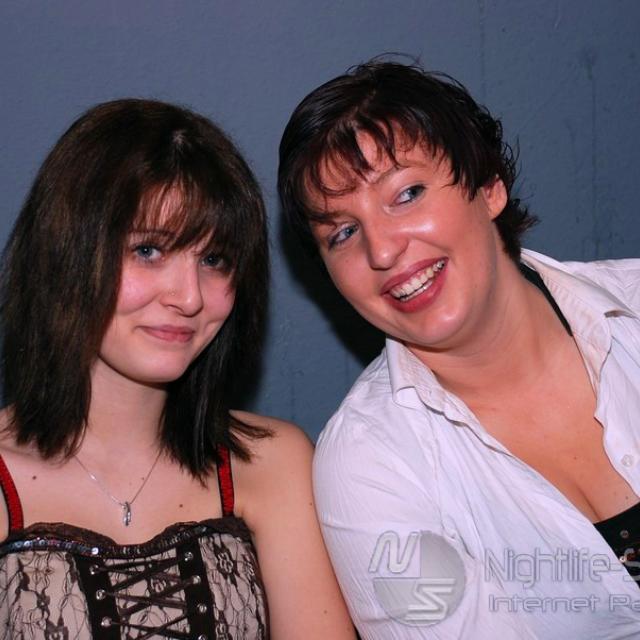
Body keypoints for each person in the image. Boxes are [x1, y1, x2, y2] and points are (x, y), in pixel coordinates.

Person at [278, 60, 640, 639]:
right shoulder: (370, 467)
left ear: (488, 186)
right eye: (342, 233)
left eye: (407, 194)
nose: (382, 250)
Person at [0, 98, 355, 640]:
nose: (189, 297)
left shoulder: (274, 463)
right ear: (68, 252)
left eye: (214, 260)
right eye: (148, 250)